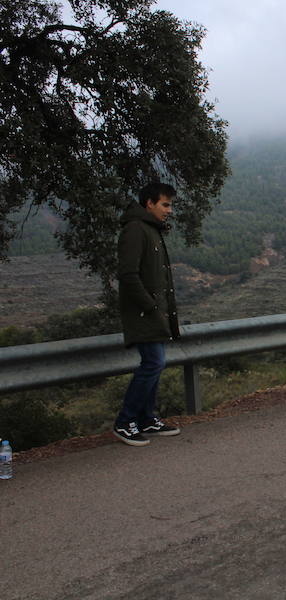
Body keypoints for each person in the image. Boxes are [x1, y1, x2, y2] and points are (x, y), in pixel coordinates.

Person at [112, 182, 182, 446]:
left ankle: (146, 419)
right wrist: (150, 306)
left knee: (155, 364)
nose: (169, 210)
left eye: (170, 205)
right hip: (144, 313)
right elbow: (127, 275)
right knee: (153, 363)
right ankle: (124, 421)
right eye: (165, 204)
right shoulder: (135, 230)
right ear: (149, 203)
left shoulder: (150, 230)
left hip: (154, 313)